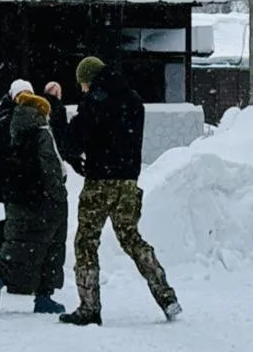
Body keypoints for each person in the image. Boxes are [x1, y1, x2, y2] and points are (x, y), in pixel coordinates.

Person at [61, 56, 180, 326]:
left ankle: (89, 307)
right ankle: (167, 296)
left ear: (89, 81)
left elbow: (75, 140)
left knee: (86, 241)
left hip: (100, 181)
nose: (82, 90)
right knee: (132, 238)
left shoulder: (95, 101)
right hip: (128, 182)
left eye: (82, 85)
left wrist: (65, 126)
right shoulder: (133, 99)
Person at [0, 84, 70, 316]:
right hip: (44, 201)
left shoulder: (11, 127)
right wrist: (60, 196)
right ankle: (44, 296)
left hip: (18, 197)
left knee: (20, 245)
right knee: (52, 247)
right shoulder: (41, 131)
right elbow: (51, 167)